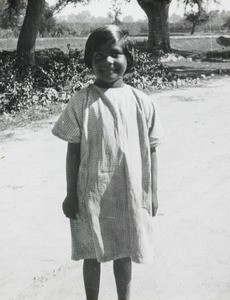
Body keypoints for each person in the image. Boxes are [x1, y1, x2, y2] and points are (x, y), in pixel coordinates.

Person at [52, 25, 165, 300]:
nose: (107, 62)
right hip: (91, 194)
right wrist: (71, 193)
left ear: (128, 58)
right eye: (98, 56)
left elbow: (151, 149)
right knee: (92, 252)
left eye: (115, 54)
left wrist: (153, 194)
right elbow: (73, 151)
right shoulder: (82, 101)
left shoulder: (142, 102)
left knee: (124, 249)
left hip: (128, 194)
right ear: (90, 61)